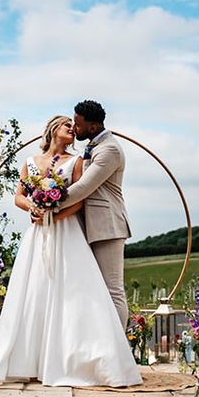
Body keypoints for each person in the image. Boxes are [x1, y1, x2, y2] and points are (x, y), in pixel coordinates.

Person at [0, 114, 141, 387]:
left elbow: (80, 198)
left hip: (67, 231)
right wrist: (33, 208)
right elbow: (19, 196)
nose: (72, 128)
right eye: (66, 125)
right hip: (38, 234)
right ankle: (31, 357)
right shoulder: (30, 162)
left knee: (72, 291)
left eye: (74, 125)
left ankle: (71, 358)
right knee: (34, 290)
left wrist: (54, 214)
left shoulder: (77, 161)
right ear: (52, 130)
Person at [62, 100, 131, 330]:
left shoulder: (109, 149)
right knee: (94, 289)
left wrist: (49, 205)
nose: (74, 128)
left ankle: (120, 349)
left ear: (93, 127)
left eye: (78, 124)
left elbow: (83, 188)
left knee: (113, 290)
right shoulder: (94, 146)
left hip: (108, 226)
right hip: (90, 226)